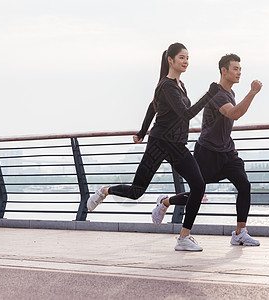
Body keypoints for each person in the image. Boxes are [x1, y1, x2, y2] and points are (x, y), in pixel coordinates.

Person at [86, 42, 219, 251]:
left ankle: (184, 236)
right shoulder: (167, 85)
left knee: (198, 185)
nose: (186, 61)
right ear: (170, 60)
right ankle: (105, 191)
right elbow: (186, 114)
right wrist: (209, 94)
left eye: (187, 58)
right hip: (159, 143)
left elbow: (152, 106)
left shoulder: (179, 86)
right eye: (182, 57)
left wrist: (141, 131)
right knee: (137, 191)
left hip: (177, 145)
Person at [152, 53, 263, 246]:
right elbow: (234, 114)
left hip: (227, 151)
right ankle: (165, 203)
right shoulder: (217, 94)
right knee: (198, 192)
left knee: (244, 186)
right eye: (235, 69)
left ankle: (239, 233)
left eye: (240, 69)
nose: (239, 73)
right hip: (208, 152)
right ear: (224, 70)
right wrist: (252, 92)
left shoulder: (230, 93)